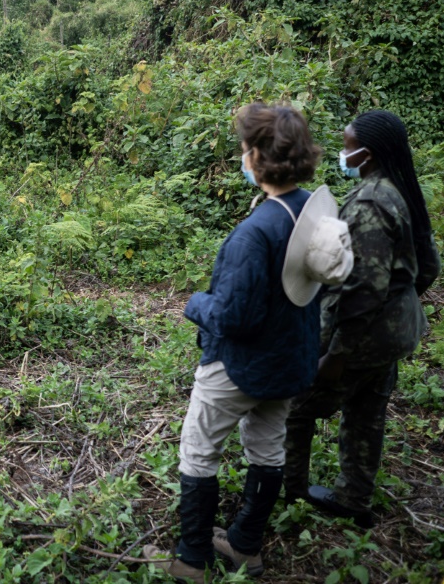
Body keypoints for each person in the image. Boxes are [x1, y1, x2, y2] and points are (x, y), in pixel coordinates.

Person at [144, 102, 323, 583]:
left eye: (244, 151)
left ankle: (192, 558)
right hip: (290, 361)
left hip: (241, 365)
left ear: (258, 159)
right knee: (267, 447)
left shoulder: (254, 233)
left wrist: (195, 302)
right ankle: (245, 544)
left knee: (198, 450)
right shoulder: (310, 211)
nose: (241, 159)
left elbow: (233, 317)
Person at [283, 110, 440, 527]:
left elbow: (363, 289)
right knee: (367, 412)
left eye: (347, 146)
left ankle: (292, 485)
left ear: (366, 155)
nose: (342, 153)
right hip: (393, 334)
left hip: (363, 338)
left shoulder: (371, 202)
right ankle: (355, 498)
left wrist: (337, 354)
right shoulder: (401, 190)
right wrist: (399, 307)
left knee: (298, 406)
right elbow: (428, 266)